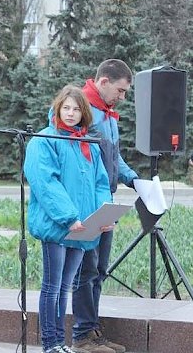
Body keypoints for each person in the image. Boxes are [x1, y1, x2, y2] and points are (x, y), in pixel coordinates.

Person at [25, 85, 112, 353]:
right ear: (57, 109)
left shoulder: (87, 144)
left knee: (65, 288)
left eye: (76, 109)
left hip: (83, 227)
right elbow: (46, 183)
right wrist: (69, 217)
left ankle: (60, 343)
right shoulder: (44, 140)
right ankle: (50, 344)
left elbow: (100, 182)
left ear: (84, 113)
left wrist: (102, 216)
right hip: (58, 225)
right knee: (52, 287)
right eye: (66, 108)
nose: (71, 113)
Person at [71, 59, 138, 353]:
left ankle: (93, 331)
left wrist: (135, 180)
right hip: (86, 204)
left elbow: (114, 158)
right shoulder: (78, 108)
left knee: (99, 269)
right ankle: (82, 336)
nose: (122, 97)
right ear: (103, 82)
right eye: (120, 91)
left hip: (105, 201)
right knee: (85, 271)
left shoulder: (109, 115)